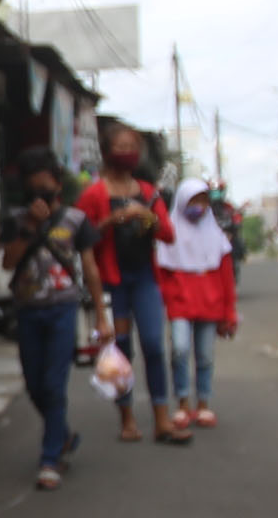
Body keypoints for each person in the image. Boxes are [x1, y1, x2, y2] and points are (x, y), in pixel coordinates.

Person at [0, 148, 97, 491]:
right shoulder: (15, 219)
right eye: (33, 189)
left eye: (46, 188)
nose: (40, 196)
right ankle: (63, 435)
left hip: (63, 307)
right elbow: (9, 263)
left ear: (57, 184)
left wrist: (101, 314)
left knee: (55, 385)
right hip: (28, 309)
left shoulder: (76, 220)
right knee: (34, 385)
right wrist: (30, 228)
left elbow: (90, 267)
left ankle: (50, 457)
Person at [79, 127, 174, 441]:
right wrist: (110, 221)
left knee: (153, 345)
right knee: (120, 349)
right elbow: (80, 240)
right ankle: (127, 417)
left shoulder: (149, 192)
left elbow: (168, 234)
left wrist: (149, 218)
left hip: (145, 277)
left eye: (132, 146)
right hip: (112, 281)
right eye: (121, 146)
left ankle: (162, 417)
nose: (127, 151)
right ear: (108, 151)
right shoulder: (93, 195)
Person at [152, 175, 237, 436]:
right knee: (179, 349)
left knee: (205, 356)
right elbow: (161, 274)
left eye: (203, 201)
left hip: (210, 304)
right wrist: (166, 300)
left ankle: (203, 403)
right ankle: (182, 402)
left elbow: (226, 278)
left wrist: (229, 312)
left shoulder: (217, 237)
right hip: (180, 304)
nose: (199, 206)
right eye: (193, 201)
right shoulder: (169, 236)